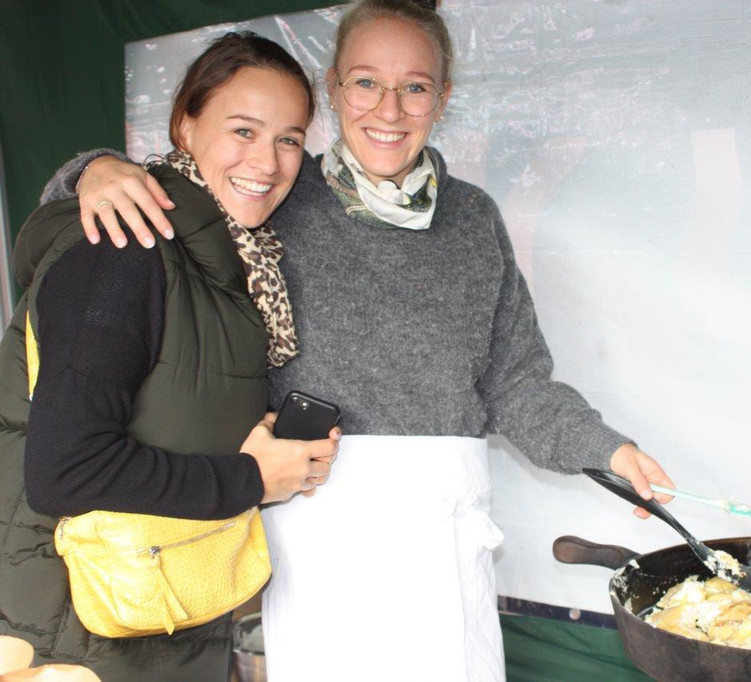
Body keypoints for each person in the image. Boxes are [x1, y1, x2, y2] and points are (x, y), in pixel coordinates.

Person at [39, 1, 676, 679]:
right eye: (367, 82)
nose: (389, 109)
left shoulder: (472, 219)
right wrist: (93, 170)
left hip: (446, 533)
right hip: (318, 523)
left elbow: (513, 381)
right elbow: (159, 198)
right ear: (335, 88)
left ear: (443, 97)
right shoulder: (276, 194)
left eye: (415, 87)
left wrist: (607, 448)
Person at [0, 33, 340, 681]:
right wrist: (251, 479)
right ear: (185, 125)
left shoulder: (237, 265)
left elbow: (171, 420)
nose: (267, 162)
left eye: (290, 139)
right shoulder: (126, 246)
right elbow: (64, 471)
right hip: (70, 636)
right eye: (243, 130)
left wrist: (266, 453)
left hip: (165, 620)